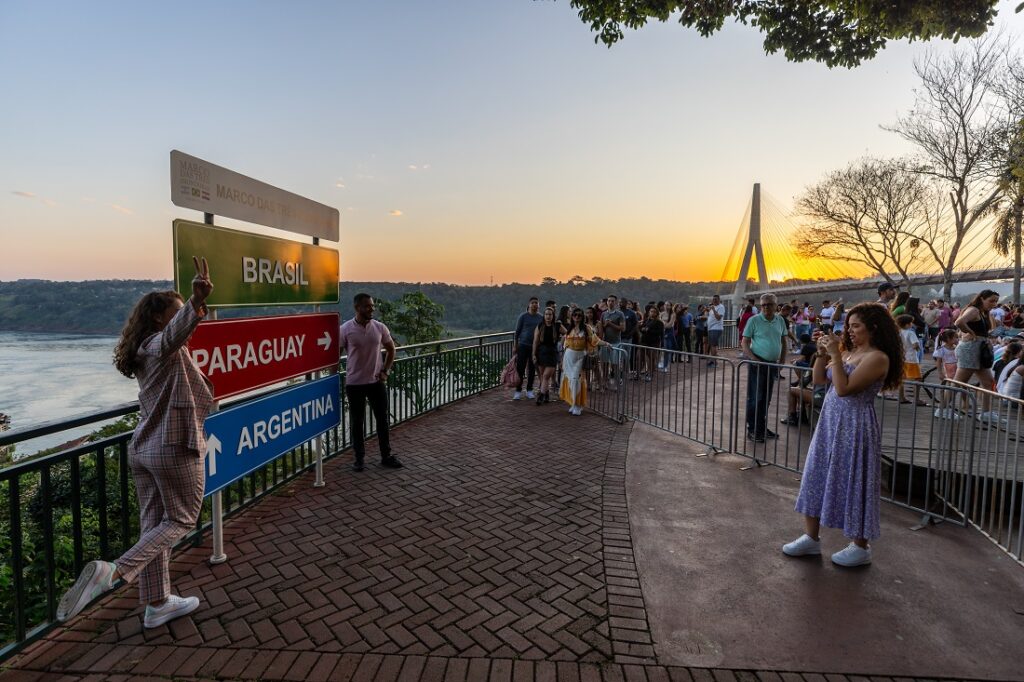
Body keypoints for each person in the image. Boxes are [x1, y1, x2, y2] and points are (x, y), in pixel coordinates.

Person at [58, 257, 214, 628]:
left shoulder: (144, 349)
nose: (182, 319)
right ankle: (112, 572)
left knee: (154, 524)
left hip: (144, 448)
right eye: (174, 313)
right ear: (161, 319)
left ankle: (158, 603)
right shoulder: (161, 345)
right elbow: (176, 334)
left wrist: (190, 309)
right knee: (181, 519)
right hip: (173, 448)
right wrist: (194, 302)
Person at [784, 303, 903, 567]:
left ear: (874, 328)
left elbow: (844, 389)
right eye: (848, 326)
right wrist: (822, 354)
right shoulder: (850, 352)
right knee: (817, 473)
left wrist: (836, 356)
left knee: (855, 479)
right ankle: (811, 537)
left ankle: (861, 545)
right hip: (830, 421)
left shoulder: (877, 358)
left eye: (856, 326)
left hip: (855, 425)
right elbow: (818, 379)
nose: (849, 331)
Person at [340, 294, 402, 472]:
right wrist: (331, 379)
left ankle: (386, 456)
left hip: (376, 382)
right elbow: (336, 356)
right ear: (357, 308)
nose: (371, 309)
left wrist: (386, 371)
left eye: (372, 306)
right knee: (357, 422)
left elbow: (391, 349)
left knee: (382, 420)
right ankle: (359, 459)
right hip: (354, 384)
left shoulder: (379, 327)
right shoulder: (345, 329)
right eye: (367, 306)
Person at [741, 294, 788, 442]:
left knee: (766, 399)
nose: (766, 307)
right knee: (755, 398)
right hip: (758, 363)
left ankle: (761, 427)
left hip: (772, 364)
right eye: (764, 305)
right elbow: (745, 342)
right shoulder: (754, 320)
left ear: (776, 306)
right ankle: (753, 430)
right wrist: (754, 359)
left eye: (769, 304)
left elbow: (783, 341)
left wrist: (782, 360)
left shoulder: (780, 320)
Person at [954, 289, 1000, 421]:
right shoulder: (974, 310)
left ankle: (986, 413)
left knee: (989, 382)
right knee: (958, 382)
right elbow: (959, 322)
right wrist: (971, 333)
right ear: (981, 299)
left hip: (979, 349)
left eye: (996, 301)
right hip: (970, 349)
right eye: (991, 301)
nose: (994, 303)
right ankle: (943, 408)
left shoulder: (983, 313)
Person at [560, 308, 609, 415]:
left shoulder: (586, 328)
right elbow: (565, 344)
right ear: (572, 317)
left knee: (577, 380)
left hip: (580, 357)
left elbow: (595, 339)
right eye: (575, 315)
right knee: (570, 380)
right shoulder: (570, 328)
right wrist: (561, 359)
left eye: (579, 315)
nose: (577, 317)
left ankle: (578, 405)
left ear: (582, 317)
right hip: (568, 357)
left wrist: (606, 344)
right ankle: (573, 403)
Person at [532, 307, 564, 405]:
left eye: (550, 314)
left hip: (552, 353)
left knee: (546, 376)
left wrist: (561, 342)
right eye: (546, 314)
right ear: (544, 315)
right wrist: (533, 354)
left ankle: (540, 396)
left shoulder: (558, 325)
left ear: (553, 315)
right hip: (541, 353)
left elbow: (568, 334)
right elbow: (535, 341)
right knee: (542, 376)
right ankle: (546, 394)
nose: (548, 316)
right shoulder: (540, 325)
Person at [513, 297, 544, 400]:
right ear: (529, 305)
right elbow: (517, 332)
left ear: (539, 305)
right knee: (520, 368)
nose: (534, 304)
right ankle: (518, 390)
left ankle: (529, 390)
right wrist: (515, 345)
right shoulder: (523, 316)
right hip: (523, 345)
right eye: (532, 303)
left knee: (532, 369)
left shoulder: (541, 317)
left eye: (536, 303)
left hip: (535, 347)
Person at [897, 315, 926, 405]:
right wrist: (917, 348)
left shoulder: (899, 332)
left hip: (902, 358)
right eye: (910, 322)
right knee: (918, 379)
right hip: (911, 359)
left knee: (901, 378)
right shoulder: (910, 333)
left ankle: (901, 397)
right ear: (906, 324)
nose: (912, 324)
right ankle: (917, 399)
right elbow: (915, 345)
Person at [932, 329, 960, 418]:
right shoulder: (942, 349)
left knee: (954, 389)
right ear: (948, 338)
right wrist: (940, 372)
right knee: (950, 389)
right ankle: (944, 407)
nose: (958, 339)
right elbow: (938, 362)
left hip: (957, 369)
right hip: (949, 370)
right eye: (956, 337)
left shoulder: (957, 348)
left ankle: (947, 407)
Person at [600, 295, 626, 387]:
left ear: (616, 302)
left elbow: (622, 329)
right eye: (609, 301)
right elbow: (601, 327)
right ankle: (605, 382)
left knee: (615, 364)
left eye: (612, 301)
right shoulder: (603, 314)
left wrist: (610, 324)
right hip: (605, 342)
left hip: (616, 343)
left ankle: (617, 382)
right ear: (606, 302)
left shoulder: (620, 314)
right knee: (605, 363)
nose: (610, 303)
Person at [639, 306, 665, 380]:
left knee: (651, 358)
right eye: (651, 311)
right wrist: (642, 329)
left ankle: (650, 374)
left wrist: (648, 330)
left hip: (654, 343)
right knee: (640, 357)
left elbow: (660, 332)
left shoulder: (659, 322)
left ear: (657, 313)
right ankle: (639, 373)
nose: (652, 313)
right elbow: (641, 328)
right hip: (644, 341)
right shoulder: (646, 320)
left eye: (654, 311)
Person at [706, 295, 725, 366]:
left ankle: (714, 362)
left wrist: (713, 309)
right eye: (713, 299)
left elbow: (718, 318)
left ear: (719, 300)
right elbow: (710, 317)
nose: (714, 300)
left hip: (716, 328)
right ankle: (712, 360)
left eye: (716, 299)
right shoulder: (712, 307)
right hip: (711, 328)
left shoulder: (721, 307)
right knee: (712, 345)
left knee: (713, 345)